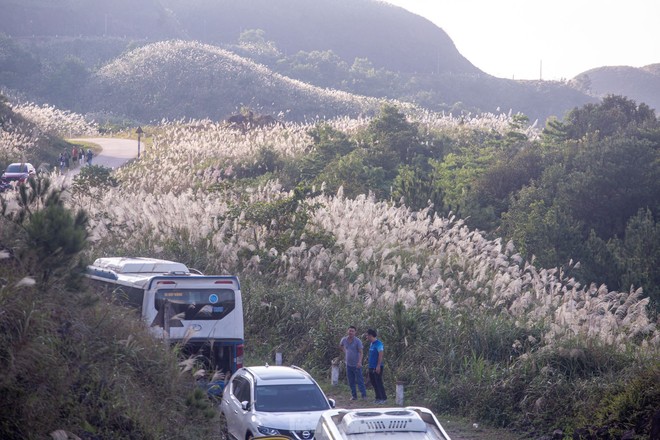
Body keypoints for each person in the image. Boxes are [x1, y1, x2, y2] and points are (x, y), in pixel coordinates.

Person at [339, 325, 367, 400]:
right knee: (351, 381)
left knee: (360, 380)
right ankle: (354, 396)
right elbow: (341, 346)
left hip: (356, 364)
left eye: (352, 331)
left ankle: (364, 395)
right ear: (347, 331)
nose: (351, 332)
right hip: (348, 364)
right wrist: (345, 351)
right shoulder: (344, 340)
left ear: (355, 332)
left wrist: (359, 362)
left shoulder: (358, 341)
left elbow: (361, 352)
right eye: (349, 331)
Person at [366, 328, 387, 404]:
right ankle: (377, 398)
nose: (366, 337)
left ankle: (383, 398)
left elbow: (380, 355)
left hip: (377, 366)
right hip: (371, 366)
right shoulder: (372, 344)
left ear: (371, 335)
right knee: (374, 382)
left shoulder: (379, 344)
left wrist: (378, 366)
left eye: (367, 336)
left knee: (378, 382)